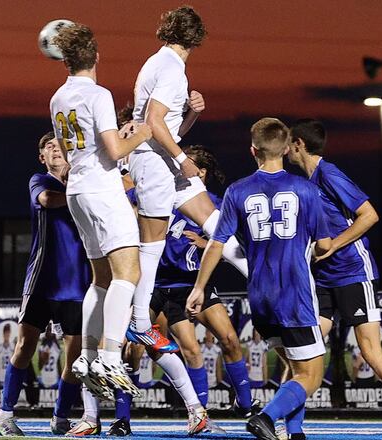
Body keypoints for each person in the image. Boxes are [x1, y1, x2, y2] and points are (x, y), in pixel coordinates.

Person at [287, 119, 382, 439]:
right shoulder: (303, 181)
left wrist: (334, 246)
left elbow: (369, 214)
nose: (285, 148)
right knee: (304, 349)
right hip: (323, 279)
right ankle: (291, 429)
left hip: (353, 273)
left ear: (299, 144)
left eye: (288, 142)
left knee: (370, 350)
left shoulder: (329, 174)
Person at [187, 118, 331, 440]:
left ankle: (295, 433)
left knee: (294, 367)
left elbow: (216, 243)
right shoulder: (307, 190)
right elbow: (323, 243)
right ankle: (265, 417)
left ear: (253, 150)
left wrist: (199, 287)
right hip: (295, 293)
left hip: (261, 296)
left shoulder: (237, 191)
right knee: (311, 375)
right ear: (287, 147)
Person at [107, 145, 255, 436]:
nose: (189, 172)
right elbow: (124, 192)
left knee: (227, 339)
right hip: (155, 284)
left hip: (191, 284)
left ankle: (244, 405)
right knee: (133, 347)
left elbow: (227, 238)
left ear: (202, 174)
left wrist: (206, 245)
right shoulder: (153, 190)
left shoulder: (207, 203)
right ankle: (122, 417)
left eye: (197, 169)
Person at [126, 5, 247, 356]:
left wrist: (193, 112)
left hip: (163, 159)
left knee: (218, 225)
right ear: (197, 39)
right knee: (152, 245)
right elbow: (154, 122)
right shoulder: (170, 70)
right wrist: (183, 160)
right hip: (153, 162)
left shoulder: (161, 63)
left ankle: (271, 290)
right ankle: (139, 323)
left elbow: (169, 127)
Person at [49, 21, 155, 407]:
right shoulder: (99, 94)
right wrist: (141, 133)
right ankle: (110, 357)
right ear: (95, 56)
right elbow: (112, 150)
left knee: (102, 279)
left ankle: (88, 356)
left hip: (77, 189)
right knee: (130, 272)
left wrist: (120, 137)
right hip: (102, 189)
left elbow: (67, 145)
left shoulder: (57, 98)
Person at [0, 133, 92, 437]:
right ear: (42, 158)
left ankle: (61, 416)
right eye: (49, 147)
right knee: (25, 346)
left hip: (77, 283)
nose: (56, 150)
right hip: (41, 280)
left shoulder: (83, 182)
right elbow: (48, 201)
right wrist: (85, 193)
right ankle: (5, 415)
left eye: (60, 146)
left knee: (76, 357)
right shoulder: (40, 180)